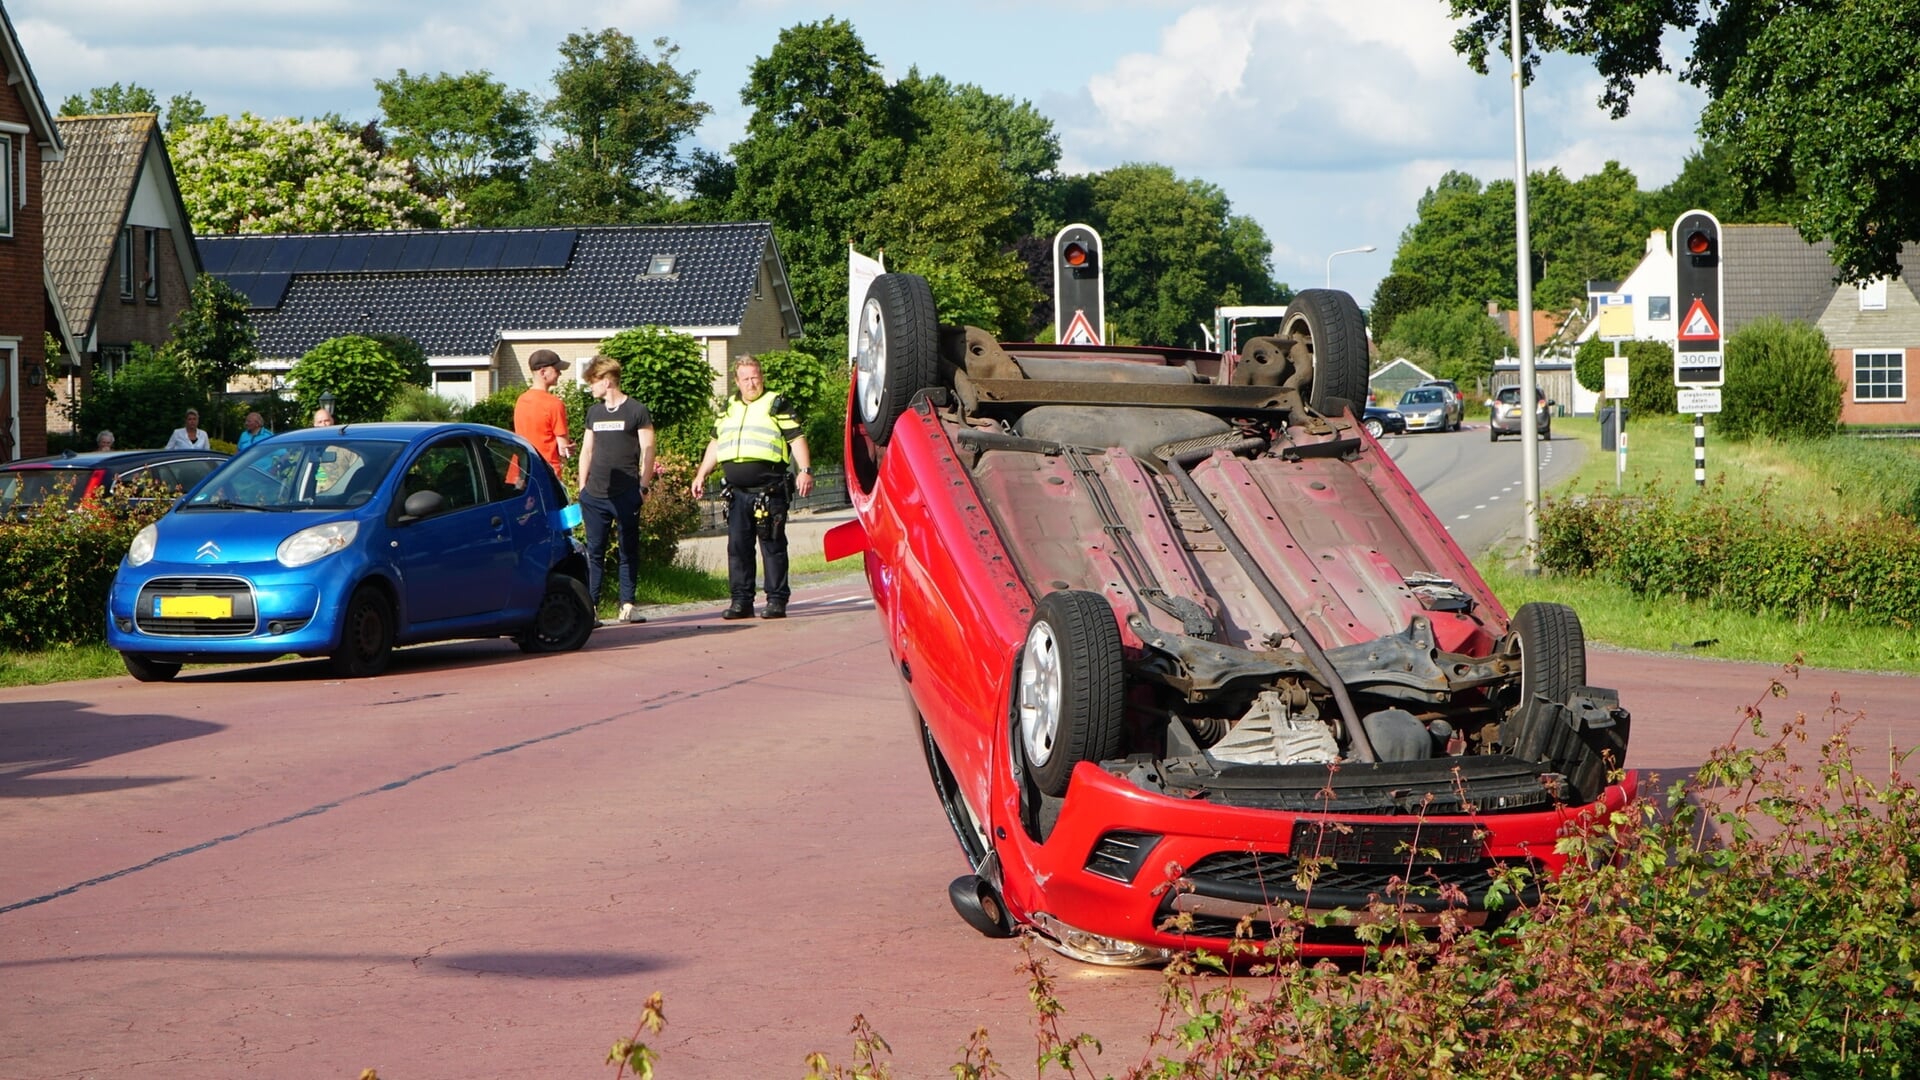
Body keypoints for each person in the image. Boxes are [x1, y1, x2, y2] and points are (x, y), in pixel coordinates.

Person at [690, 356, 813, 620]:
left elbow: (796, 438)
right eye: (745, 378)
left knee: (772, 546)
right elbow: (715, 443)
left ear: (762, 377)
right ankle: (741, 601)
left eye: (755, 377)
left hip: (768, 491)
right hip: (736, 493)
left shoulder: (776, 403)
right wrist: (701, 474)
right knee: (738, 548)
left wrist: (804, 470)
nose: (751, 383)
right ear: (736, 381)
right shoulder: (729, 408)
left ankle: (777, 600)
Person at [575, 355, 654, 625]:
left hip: (626, 493)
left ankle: (628, 605)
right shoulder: (594, 413)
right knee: (594, 551)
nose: (591, 388)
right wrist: (582, 487)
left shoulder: (636, 410)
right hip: (595, 495)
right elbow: (587, 450)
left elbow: (648, 449)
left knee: (627, 550)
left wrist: (643, 486)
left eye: (593, 383)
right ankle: (591, 608)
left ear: (607, 381)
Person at [514, 349, 573, 476]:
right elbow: (563, 450)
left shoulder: (521, 400)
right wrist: (570, 448)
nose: (560, 374)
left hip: (521, 470)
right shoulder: (554, 404)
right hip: (546, 471)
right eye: (557, 370)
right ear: (543, 372)